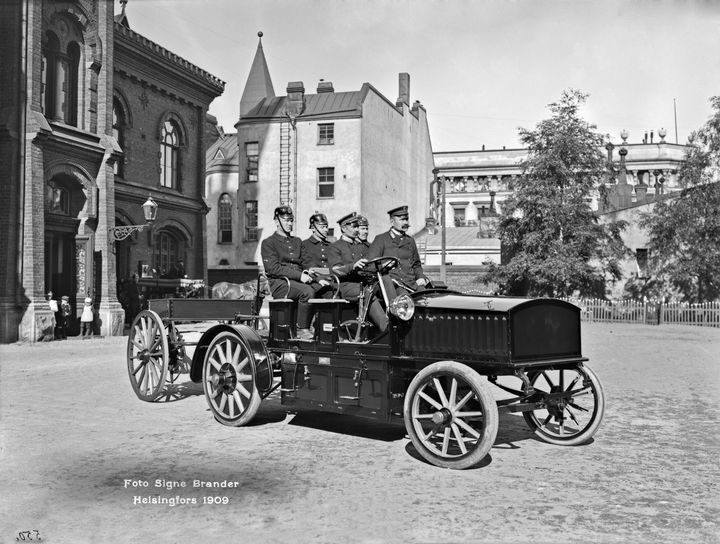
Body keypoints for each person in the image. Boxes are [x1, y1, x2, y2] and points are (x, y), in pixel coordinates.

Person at [260, 206, 327, 340]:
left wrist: (319, 278)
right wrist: (300, 275)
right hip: (280, 283)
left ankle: (323, 329)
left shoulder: (297, 241)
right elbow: (273, 268)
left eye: (291, 220)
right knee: (307, 291)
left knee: (327, 290)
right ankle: (301, 328)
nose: (290, 224)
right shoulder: (268, 243)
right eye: (286, 220)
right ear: (277, 221)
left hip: (298, 282)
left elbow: (307, 263)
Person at [328, 212, 388, 332]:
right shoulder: (335, 246)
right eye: (354, 226)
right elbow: (335, 270)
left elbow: (369, 265)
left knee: (387, 282)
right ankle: (386, 328)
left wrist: (381, 267)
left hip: (363, 283)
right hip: (345, 285)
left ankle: (399, 320)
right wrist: (352, 266)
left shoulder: (361, 246)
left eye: (357, 226)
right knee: (367, 293)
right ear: (343, 228)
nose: (357, 229)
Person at [366, 205, 429, 302]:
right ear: (392, 221)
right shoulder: (381, 239)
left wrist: (421, 277)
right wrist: (383, 266)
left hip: (412, 284)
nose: (406, 223)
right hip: (393, 286)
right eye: (402, 220)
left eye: (407, 219)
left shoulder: (410, 240)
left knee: (427, 299)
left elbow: (416, 265)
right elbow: (370, 265)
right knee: (405, 301)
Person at [301, 212, 334, 299]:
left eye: (326, 227)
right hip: (314, 282)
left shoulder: (331, 245)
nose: (326, 230)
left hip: (332, 279)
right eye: (322, 227)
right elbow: (306, 265)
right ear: (313, 228)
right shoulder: (304, 245)